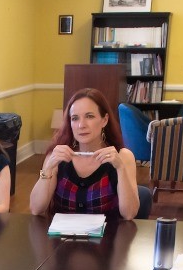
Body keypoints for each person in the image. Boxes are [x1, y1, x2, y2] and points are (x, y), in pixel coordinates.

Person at [30, 88, 142, 221]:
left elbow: (129, 214)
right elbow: (36, 209)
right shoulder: (58, 156)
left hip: (107, 239)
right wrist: (48, 168)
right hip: (62, 239)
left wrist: (120, 169)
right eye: (75, 118)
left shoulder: (123, 156)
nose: (81, 125)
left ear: (104, 120)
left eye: (89, 116)